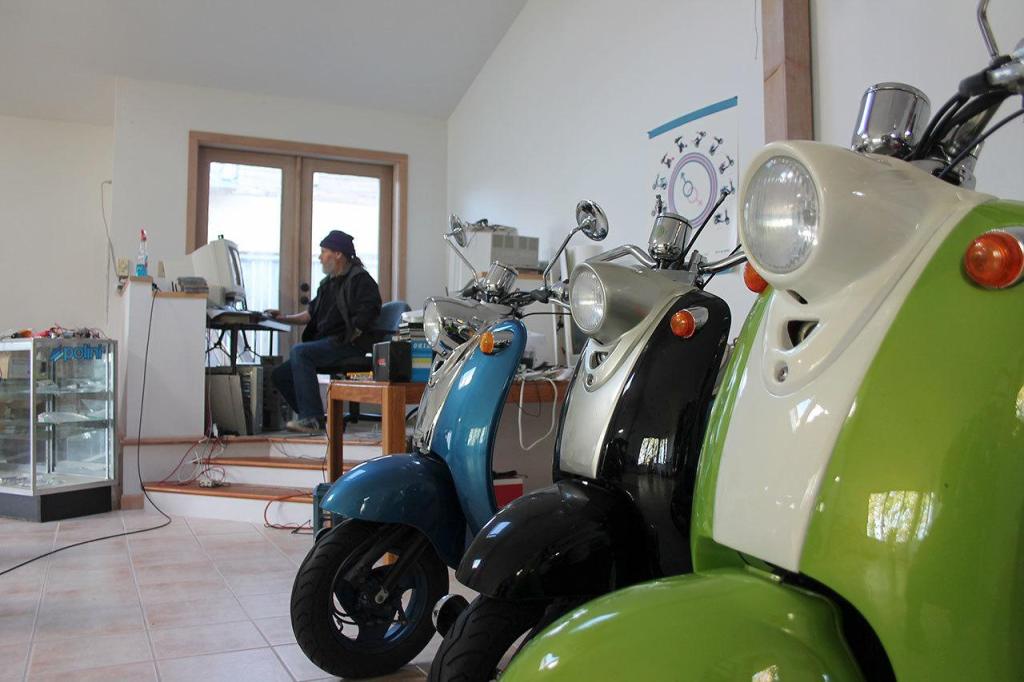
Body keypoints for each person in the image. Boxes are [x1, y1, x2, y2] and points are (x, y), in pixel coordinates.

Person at [266, 230, 382, 433]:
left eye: (324, 251)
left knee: (300, 352)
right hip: (329, 342)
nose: (320, 257)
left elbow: (370, 311)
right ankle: (313, 417)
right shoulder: (328, 284)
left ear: (338, 254)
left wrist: (351, 334)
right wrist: (281, 318)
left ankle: (312, 419)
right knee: (279, 375)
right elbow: (309, 315)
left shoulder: (360, 280)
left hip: (348, 344)